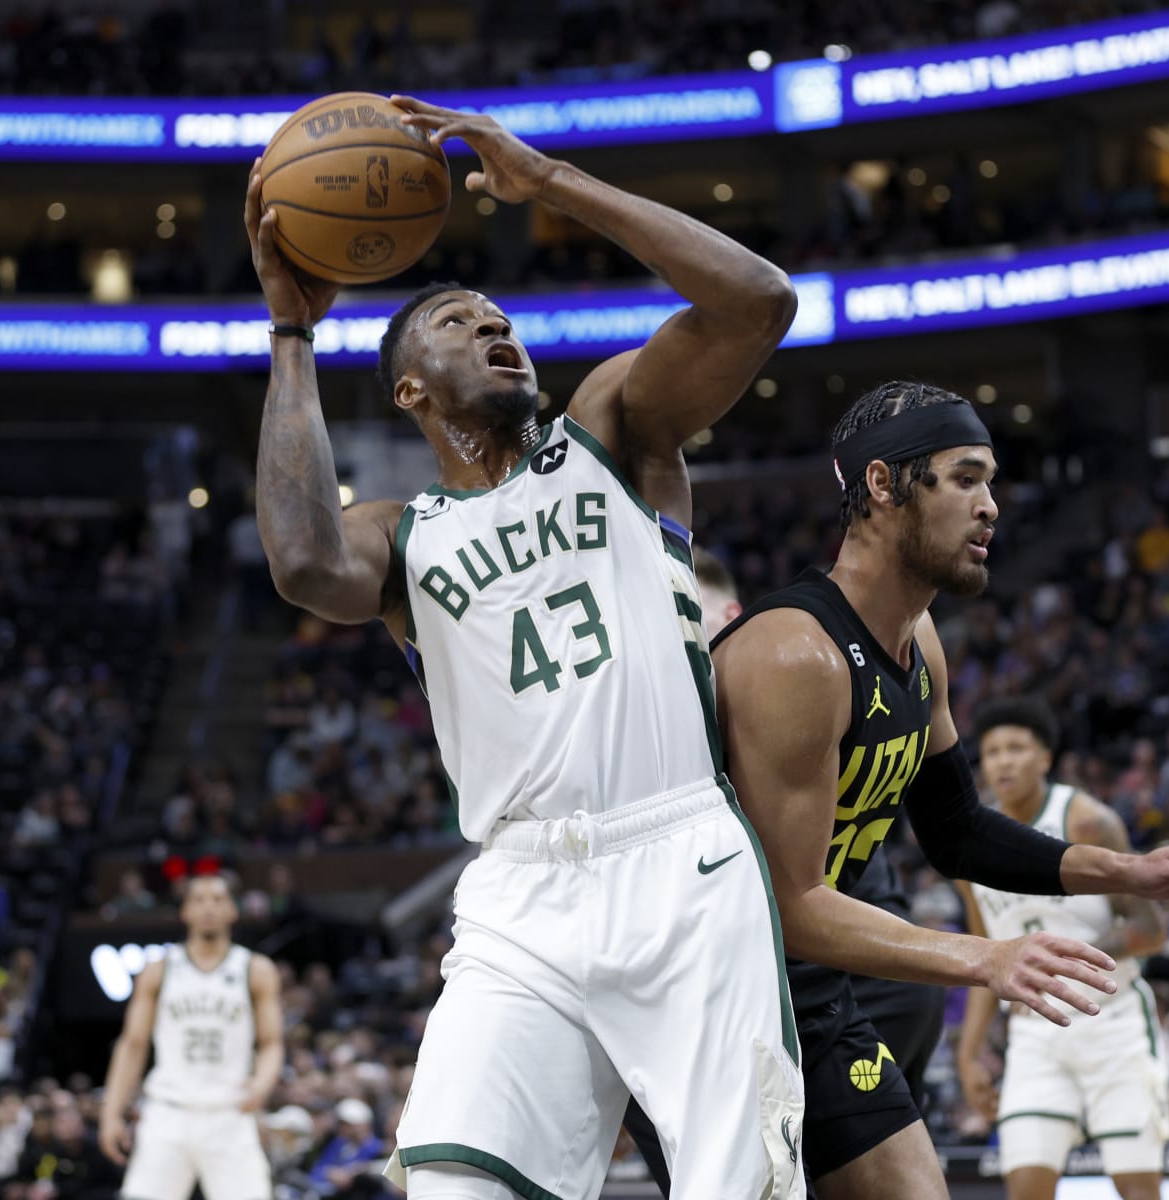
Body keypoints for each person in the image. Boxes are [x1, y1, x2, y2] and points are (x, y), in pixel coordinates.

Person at [245, 94, 805, 1200]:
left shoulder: (613, 434)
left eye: (502, 316)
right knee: (454, 1185)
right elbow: (305, 563)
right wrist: (292, 332)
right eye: (461, 322)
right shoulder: (402, 534)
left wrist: (549, 182)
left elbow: (757, 304)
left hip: (679, 858)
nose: (497, 327)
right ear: (410, 388)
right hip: (518, 897)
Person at [669, 382, 1169, 1198]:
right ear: (883, 487)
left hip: (811, 989)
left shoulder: (919, 640)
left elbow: (957, 830)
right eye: (965, 478)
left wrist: (1127, 869)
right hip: (712, 996)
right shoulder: (795, 653)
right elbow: (786, 901)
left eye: (991, 481)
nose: (991, 506)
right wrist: (986, 958)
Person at [624, 551, 949, 1194]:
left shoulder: (783, 690)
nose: (691, 648)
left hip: (834, 987)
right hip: (698, 999)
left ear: (737, 621)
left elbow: (803, 907)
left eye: (698, 624)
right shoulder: (655, 730)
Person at [956, 697, 1169, 1200]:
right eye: (991, 752)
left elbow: (1151, 925)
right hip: (1034, 1035)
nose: (1003, 761)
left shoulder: (1087, 823)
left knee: (1138, 1188)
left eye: (1016, 748)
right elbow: (983, 958)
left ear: (1045, 758)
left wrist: (1071, 959)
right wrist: (969, 1056)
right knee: (1026, 1185)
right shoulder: (970, 845)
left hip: (1112, 1022)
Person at [98, 875, 283, 1200]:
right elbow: (133, 1044)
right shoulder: (159, 969)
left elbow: (271, 1043)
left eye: (217, 899)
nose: (208, 907)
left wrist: (263, 1082)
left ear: (232, 910)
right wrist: (111, 1112)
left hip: (230, 1111)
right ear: (185, 911)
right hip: (168, 1111)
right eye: (199, 899)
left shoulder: (255, 969)